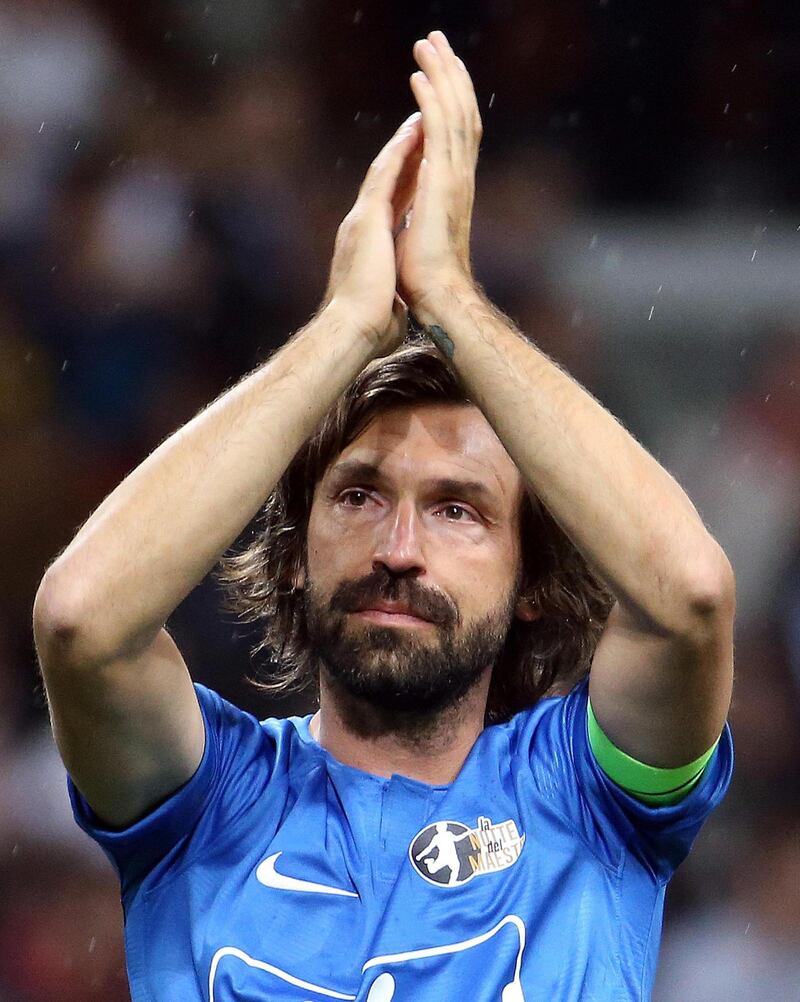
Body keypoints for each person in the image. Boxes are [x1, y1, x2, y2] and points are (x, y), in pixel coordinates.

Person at [32, 30, 735, 1002]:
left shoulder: (591, 795)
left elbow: (689, 596)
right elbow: (81, 620)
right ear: (290, 557)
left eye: (457, 510)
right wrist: (341, 329)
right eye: (358, 496)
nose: (397, 550)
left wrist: (450, 295)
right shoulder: (206, 799)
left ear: (530, 583)